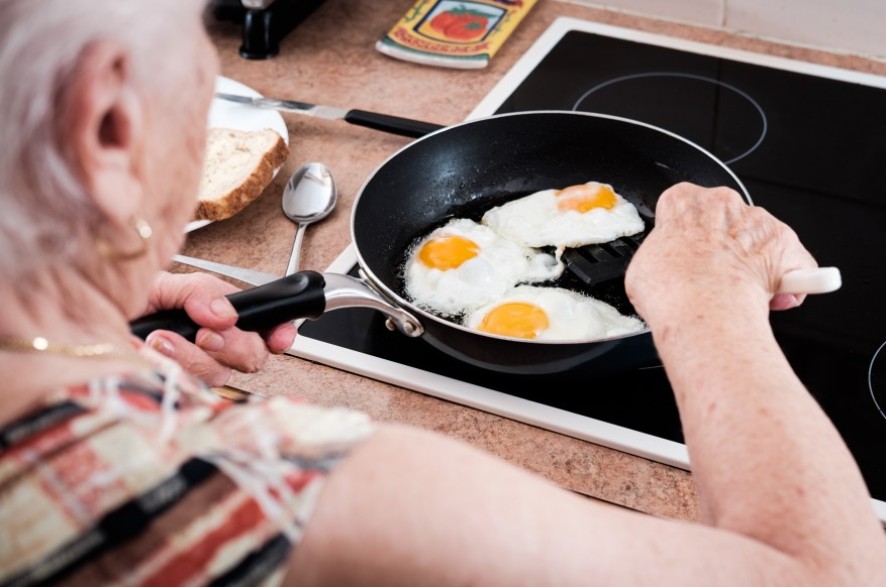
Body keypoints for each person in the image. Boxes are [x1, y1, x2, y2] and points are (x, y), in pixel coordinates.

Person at [0, 0, 883, 585]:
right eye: (201, 30)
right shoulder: (280, 485)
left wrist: (80, 309)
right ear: (108, 126)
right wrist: (706, 299)